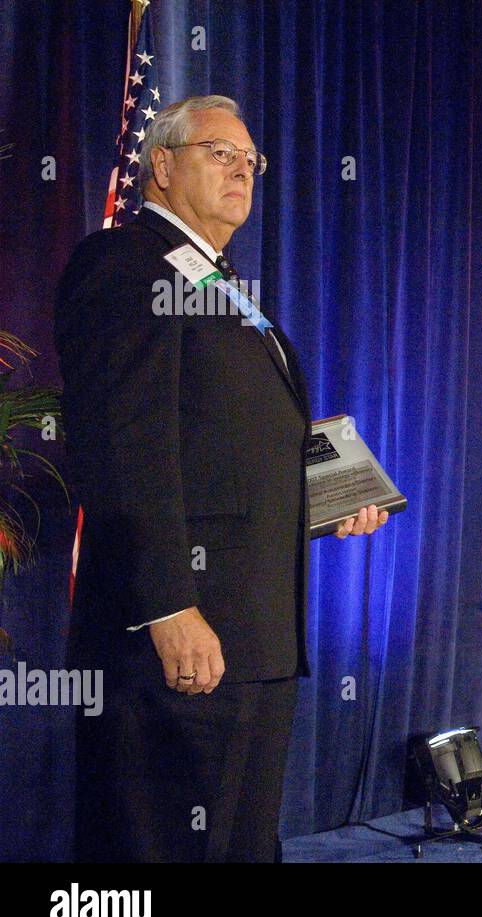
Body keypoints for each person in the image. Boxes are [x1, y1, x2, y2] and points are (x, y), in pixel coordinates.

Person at [54, 94, 387, 862]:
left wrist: (326, 494)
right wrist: (169, 604)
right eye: (219, 153)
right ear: (163, 166)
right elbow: (121, 443)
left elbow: (216, 447)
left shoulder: (221, 281)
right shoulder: (124, 263)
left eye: (251, 160)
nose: (242, 170)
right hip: (179, 637)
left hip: (255, 633)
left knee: (240, 843)